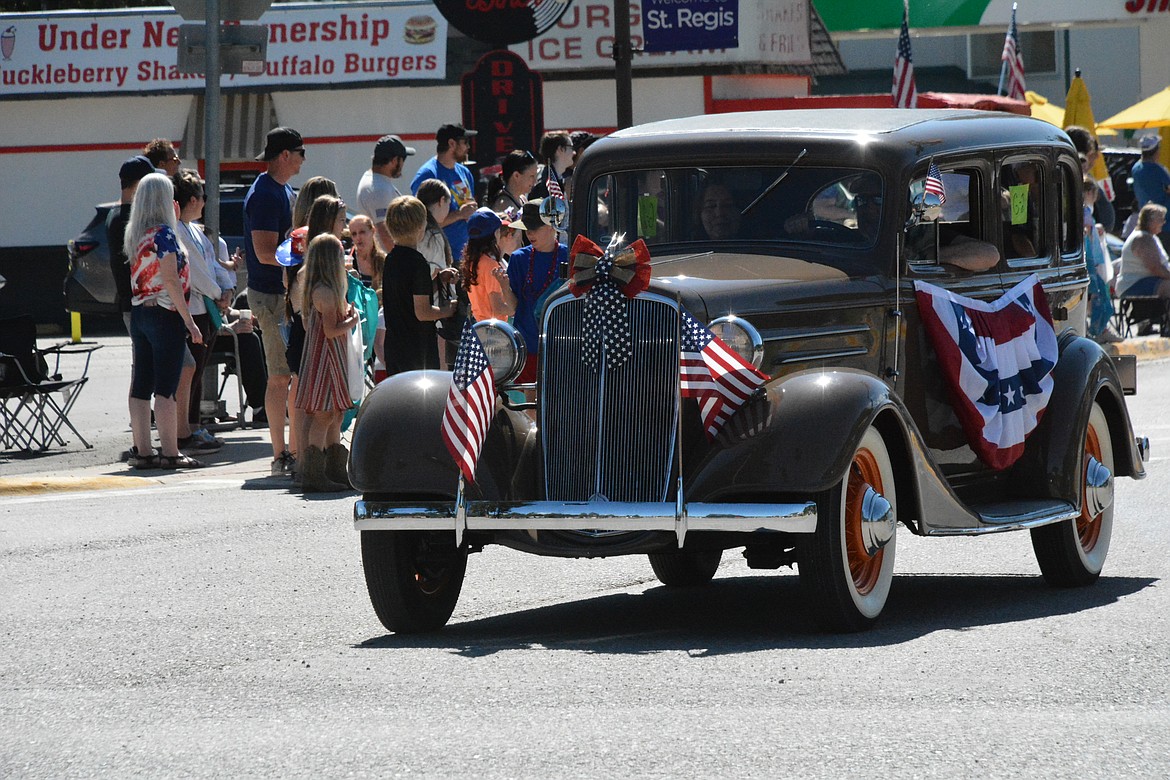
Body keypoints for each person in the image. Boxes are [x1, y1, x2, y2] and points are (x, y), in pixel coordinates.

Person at [124, 173, 204, 470]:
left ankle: (143, 451)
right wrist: (189, 321)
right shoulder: (165, 235)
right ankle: (171, 452)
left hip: (140, 312)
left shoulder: (136, 235)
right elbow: (171, 279)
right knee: (166, 387)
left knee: (141, 385)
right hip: (165, 313)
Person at [244, 126, 304, 477]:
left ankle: (293, 449)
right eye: (300, 152)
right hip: (270, 295)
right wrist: (303, 252)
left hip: (282, 295)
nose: (302, 159)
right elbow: (265, 252)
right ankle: (282, 453)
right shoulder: (265, 194)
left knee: (290, 375)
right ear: (285, 155)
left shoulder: (281, 190)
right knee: (280, 377)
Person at [294, 233, 360, 492]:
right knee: (324, 415)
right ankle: (314, 474)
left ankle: (333, 469)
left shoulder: (315, 286)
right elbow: (332, 330)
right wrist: (353, 320)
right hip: (327, 359)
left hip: (325, 356)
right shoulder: (326, 291)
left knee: (335, 413)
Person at [172, 168, 226, 452]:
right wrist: (219, 293)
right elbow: (198, 273)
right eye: (202, 197)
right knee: (189, 373)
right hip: (193, 308)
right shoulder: (179, 230)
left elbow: (213, 264)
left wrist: (226, 288)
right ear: (192, 200)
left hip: (206, 309)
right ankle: (186, 429)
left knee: (198, 370)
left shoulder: (195, 231)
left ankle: (193, 425)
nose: (205, 202)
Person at [382, 195, 459, 375]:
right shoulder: (418, 263)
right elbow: (423, 312)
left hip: (395, 348)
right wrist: (449, 310)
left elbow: (408, 296)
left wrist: (438, 281)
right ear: (420, 226)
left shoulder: (391, 259)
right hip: (417, 350)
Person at [506, 200, 568, 382]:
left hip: (561, 345)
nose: (529, 233)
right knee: (530, 404)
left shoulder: (569, 256)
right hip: (528, 343)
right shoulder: (518, 259)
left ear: (551, 226)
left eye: (535, 227)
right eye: (527, 228)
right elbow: (513, 308)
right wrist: (503, 286)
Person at [410, 123, 478, 266]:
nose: (468, 147)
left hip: (467, 256)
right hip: (441, 259)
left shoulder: (464, 172)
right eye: (465, 142)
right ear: (451, 143)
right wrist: (459, 214)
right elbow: (422, 221)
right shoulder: (428, 174)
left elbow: (469, 207)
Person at [356, 134, 416, 252]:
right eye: (403, 159)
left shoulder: (374, 180)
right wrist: (400, 262)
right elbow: (385, 233)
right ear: (394, 160)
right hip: (386, 262)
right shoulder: (380, 189)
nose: (403, 165)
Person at [1083, 177, 1121, 343]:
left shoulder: (1084, 211)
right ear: (1091, 193)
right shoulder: (1082, 211)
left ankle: (1096, 330)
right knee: (1093, 297)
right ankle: (1098, 331)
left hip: (1091, 260)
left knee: (1091, 298)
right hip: (1089, 261)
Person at [462, 208, 517, 322]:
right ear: (496, 234)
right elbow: (498, 308)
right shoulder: (491, 265)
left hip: (479, 326)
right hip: (494, 331)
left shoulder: (473, 261)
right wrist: (516, 309)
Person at [1117, 204, 1170, 300]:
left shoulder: (1151, 237)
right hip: (1134, 284)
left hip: (1148, 282)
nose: (1163, 222)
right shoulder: (1142, 238)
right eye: (1160, 219)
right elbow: (1155, 268)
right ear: (1150, 220)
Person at [1131, 136, 1170, 249]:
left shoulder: (1135, 169)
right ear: (1156, 151)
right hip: (1164, 222)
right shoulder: (1158, 169)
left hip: (1146, 220)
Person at [487, 149, 538, 213]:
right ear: (516, 176)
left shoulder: (522, 199)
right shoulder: (504, 206)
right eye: (531, 176)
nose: (535, 182)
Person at [529, 131, 573, 202]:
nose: (574, 152)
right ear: (560, 149)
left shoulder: (558, 180)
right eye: (571, 147)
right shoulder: (546, 187)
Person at [348, 214, 385, 291]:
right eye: (354, 234)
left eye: (362, 232)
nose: (358, 237)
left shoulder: (383, 260)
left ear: (373, 231)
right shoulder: (348, 259)